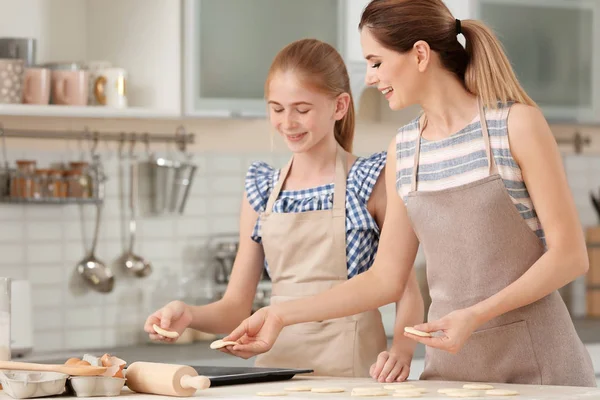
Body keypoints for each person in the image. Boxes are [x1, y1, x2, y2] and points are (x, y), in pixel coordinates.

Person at [222, 0, 597, 387]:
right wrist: (281, 315)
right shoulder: (404, 149)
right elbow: (384, 279)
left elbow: (569, 257)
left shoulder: (515, 125)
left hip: (541, 369)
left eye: (377, 61)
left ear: (420, 54)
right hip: (452, 373)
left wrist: (477, 315)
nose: (369, 77)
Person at [144, 38, 424, 382]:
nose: (288, 122)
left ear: (339, 106)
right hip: (277, 373)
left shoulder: (369, 182)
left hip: (353, 375)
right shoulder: (261, 191)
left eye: (301, 109)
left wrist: (402, 351)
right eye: (277, 109)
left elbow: (404, 289)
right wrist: (188, 314)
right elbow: (235, 307)